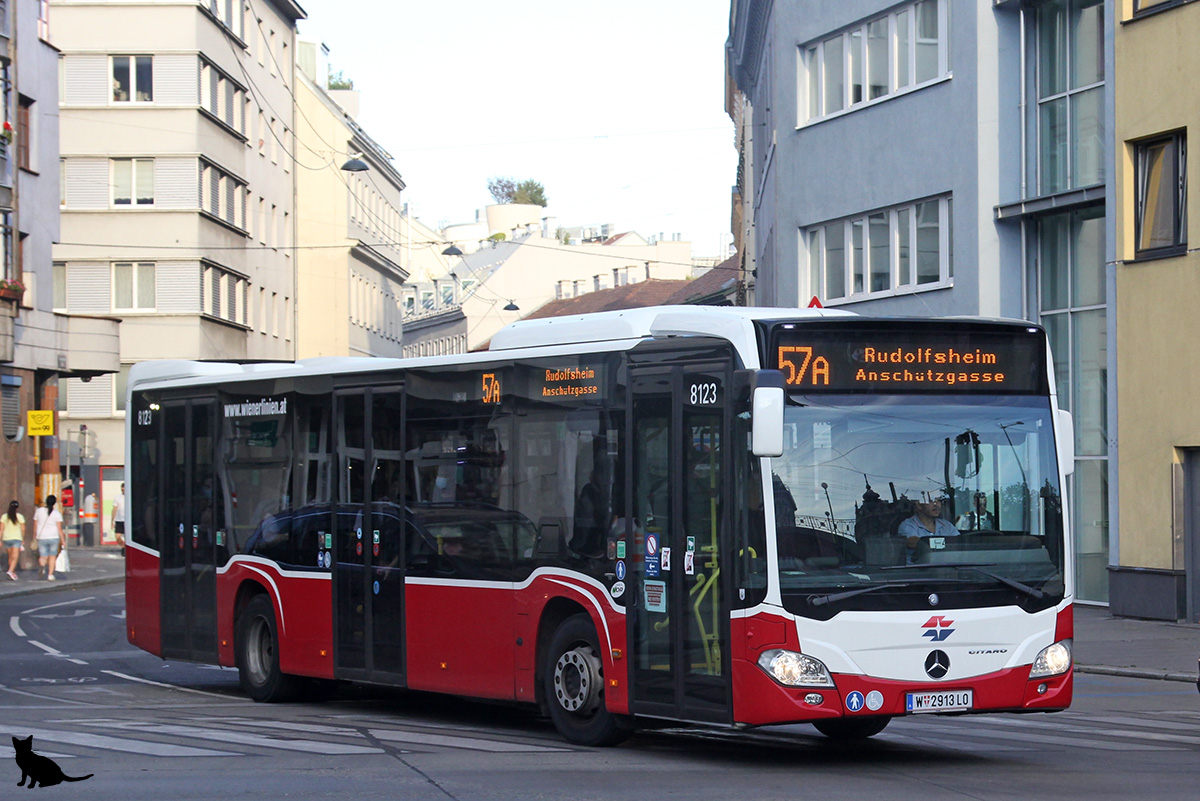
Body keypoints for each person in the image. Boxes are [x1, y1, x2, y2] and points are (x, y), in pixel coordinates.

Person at [897, 495, 959, 561]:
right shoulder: (908, 525)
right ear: (918, 505)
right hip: (919, 569)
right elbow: (915, 543)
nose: (936, 504)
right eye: (930, 501)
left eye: (938, 500)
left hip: (947, 567)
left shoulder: (947, 525)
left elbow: (959, 543)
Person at [34, 495, 66, 581]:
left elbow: (35, 524)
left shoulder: (39, 511)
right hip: (54, 537)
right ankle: (50, 575)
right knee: (52, 557)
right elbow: (59, 529)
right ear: (54, 503)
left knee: (43, 556)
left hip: (42, 537)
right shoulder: (57, 514)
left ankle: (42, 567)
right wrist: (63, 540)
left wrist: (34, 535)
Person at [4, 500, 24, 581]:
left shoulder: (4, 516)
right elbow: (23, 529)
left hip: (6, 538)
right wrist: (22, 539)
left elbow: (1, 529)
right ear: (17, 508)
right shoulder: (20, 516)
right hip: (16, 538)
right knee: (15, 557)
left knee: (10, 557)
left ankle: (12, 573)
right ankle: (10, 571)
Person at [111, 483, 126, 556]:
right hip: (119, 520)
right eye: (122, 489)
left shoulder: (130, 496)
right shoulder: (117, 497)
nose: (123, 490)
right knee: (117, 536)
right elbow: (114, 509)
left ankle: (126, 550)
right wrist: (112, 520)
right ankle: (123, 547)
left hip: (127, 520)